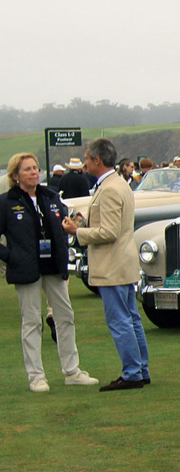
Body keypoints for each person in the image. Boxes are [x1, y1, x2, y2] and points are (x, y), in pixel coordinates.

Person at [1, 153, 95, 391]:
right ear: (15, 175)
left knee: (65, 316)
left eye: (35, 168)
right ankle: (36, 376)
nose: (34, 172)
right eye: (27, 169)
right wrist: (11, 257)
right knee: (32, 322)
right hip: (26, 269)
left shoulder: (51, 196)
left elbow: (65, 224)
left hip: (53, 267)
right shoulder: (6, 202)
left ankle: (72, 371)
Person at [61, 139, 149, 391]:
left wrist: (79, 232)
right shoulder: (117, 184)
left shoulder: (110, 188)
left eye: (87, 159)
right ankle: (140, 370)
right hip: (122, 263)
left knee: (120, 321)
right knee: (131, 319)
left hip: (113, 265)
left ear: (97, 160)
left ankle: (133, 373)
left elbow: (109, 232)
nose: (85, 164)